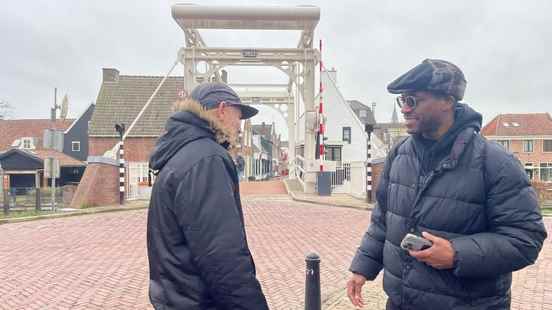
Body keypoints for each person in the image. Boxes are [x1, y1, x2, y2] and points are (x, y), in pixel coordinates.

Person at [347, 59, 547, 309]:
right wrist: (362, 268)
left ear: (448, 101)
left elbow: (526, 239)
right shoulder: (399, 154)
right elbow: (382, 221)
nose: (405, 109)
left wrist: (457, 254)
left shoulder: (496, 163)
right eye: (402, 101)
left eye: (413, 100)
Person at [147, 82, 268, 310]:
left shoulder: (178, 155)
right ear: (222, 110)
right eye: (238, 116)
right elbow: (222, 257)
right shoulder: (207, 159)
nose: (240, 126)